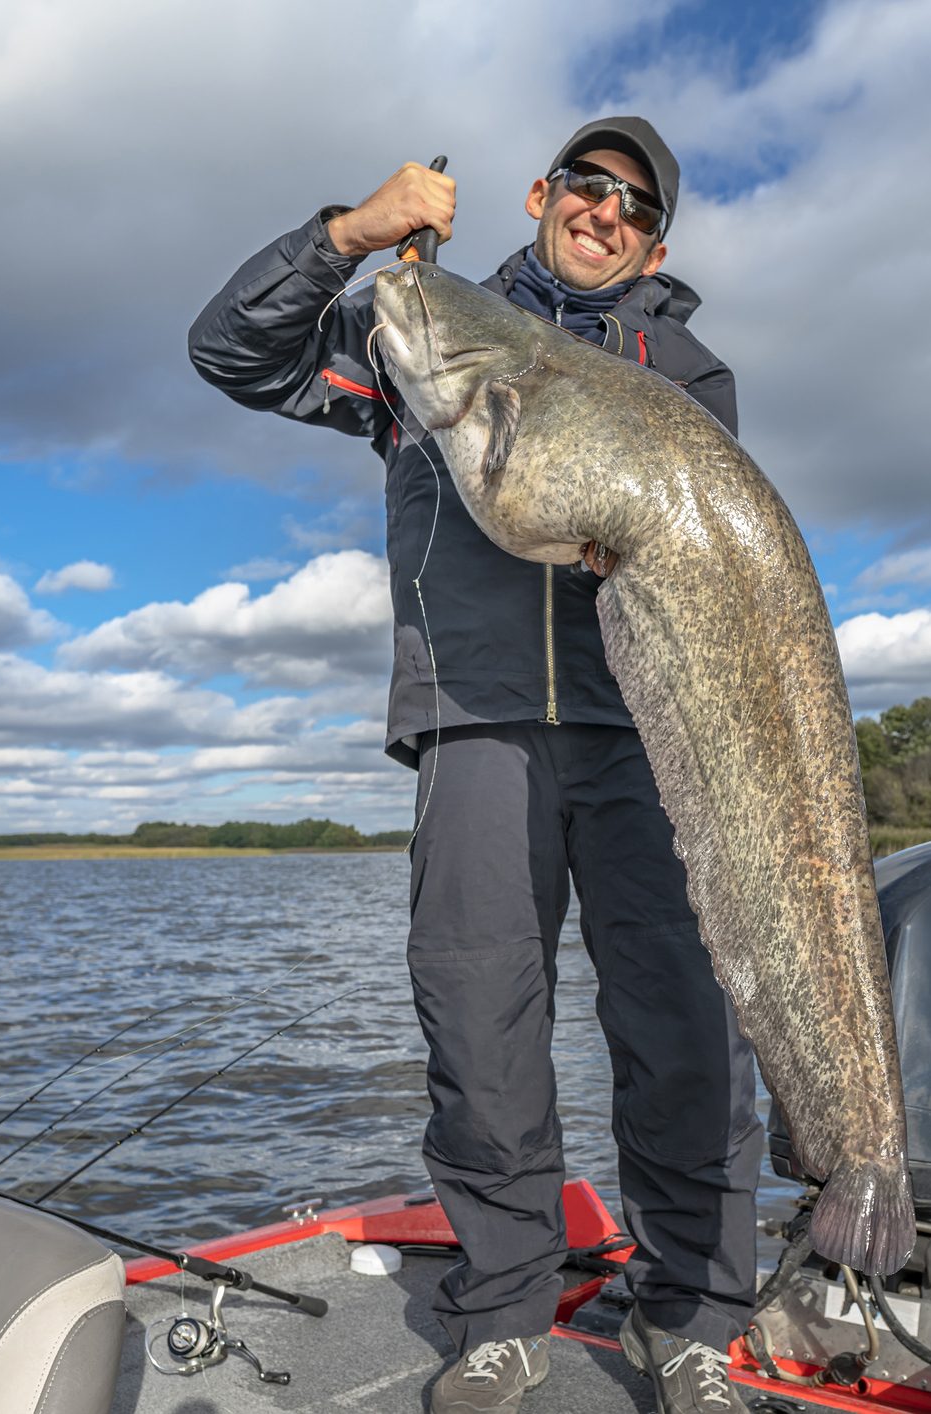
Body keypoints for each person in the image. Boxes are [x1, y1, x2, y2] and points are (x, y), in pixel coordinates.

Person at [188, 119, 761, 1413]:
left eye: (631, 203)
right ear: (539, 196)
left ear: (655, 241)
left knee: (683, 1032)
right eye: (583, 186)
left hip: (650, 740)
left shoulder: (694, 371)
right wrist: (351, 234)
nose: (602, 211)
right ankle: (504, 1309)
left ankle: (696, 1315)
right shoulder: (421, 319)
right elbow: (231, 352)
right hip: (474, 719)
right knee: (481, 1025)